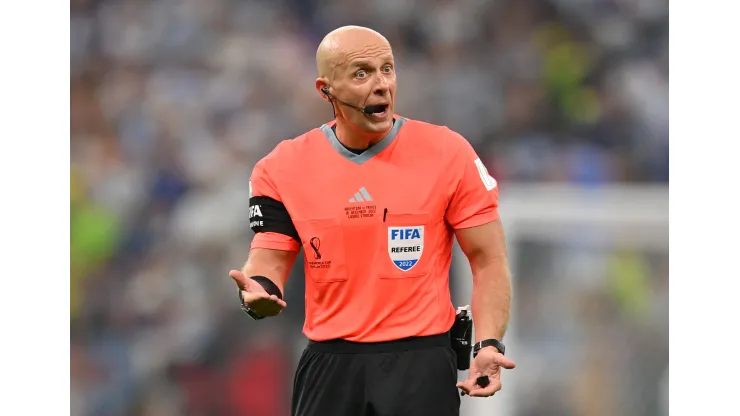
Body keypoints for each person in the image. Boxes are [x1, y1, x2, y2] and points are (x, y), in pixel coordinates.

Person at [229, 25, 515, 416]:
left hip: (421, 360)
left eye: (387, 69)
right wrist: (256, 294)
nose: (381, 85)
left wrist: (488, 345)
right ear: (325, 89)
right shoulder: (280, 168)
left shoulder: (449, 153)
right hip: (329, 364)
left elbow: (489, 260)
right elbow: (268, 260)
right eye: (361, 73)